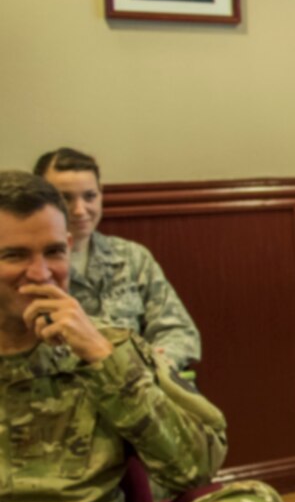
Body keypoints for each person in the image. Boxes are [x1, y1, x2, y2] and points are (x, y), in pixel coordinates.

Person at [1, 171, 289, 502]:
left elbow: (194, 467)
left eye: (55, 252)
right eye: (14, 255)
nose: (40, 273)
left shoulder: (108, 344)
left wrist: (104, 360)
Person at [32, 147, 202, 379]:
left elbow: (179, 332)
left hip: (134, 390)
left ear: (101, 194)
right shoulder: (29, 269)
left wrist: (155, 364)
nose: (80, 210)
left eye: (89, 196)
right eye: (65, 198)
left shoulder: (132, 257)